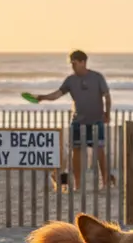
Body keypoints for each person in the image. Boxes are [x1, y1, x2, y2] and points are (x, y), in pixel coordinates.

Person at [35, 50, 113, 189]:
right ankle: (77, 185)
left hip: (96, 120)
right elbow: (57, 94)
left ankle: (106, 182)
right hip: (78, 121)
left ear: (83, 62)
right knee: (76, 151)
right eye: (71, 64)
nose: (72, 66)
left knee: (99, 151)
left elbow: (107, 96)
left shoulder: (97, 77)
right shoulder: (70, 80)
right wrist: (42, 97)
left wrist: (107, 113)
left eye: (75, 63)